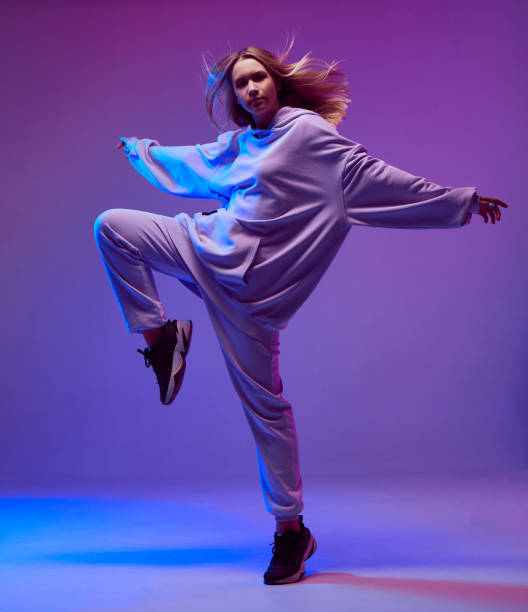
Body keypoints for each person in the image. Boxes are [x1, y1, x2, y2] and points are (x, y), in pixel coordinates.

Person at [94, 43, 507, 585]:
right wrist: (143, 150)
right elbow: (190, 163)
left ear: (278, 82)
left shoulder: (311, 138)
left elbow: (381, 180)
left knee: (268, 413)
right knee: (112, 226)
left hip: (254, 302)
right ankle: (162, 341)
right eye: (241, 84)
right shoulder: (240, 144)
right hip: (204, 250)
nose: (251, 90)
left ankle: (292, 534)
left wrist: (460, 201)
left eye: (258, 78)